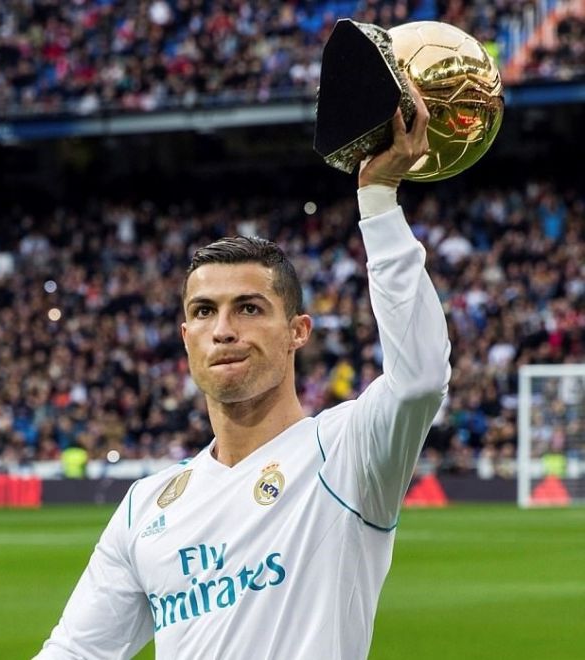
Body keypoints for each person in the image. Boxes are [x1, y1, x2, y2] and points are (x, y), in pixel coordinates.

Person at [34, 84, 451, 660]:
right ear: (186, 337)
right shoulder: (145, 506)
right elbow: (76, 651)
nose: (223, 330)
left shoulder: (346, 453)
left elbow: (420, 378)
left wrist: (378, 198)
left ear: (298, 331)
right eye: (204, 311)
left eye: (249, 309)